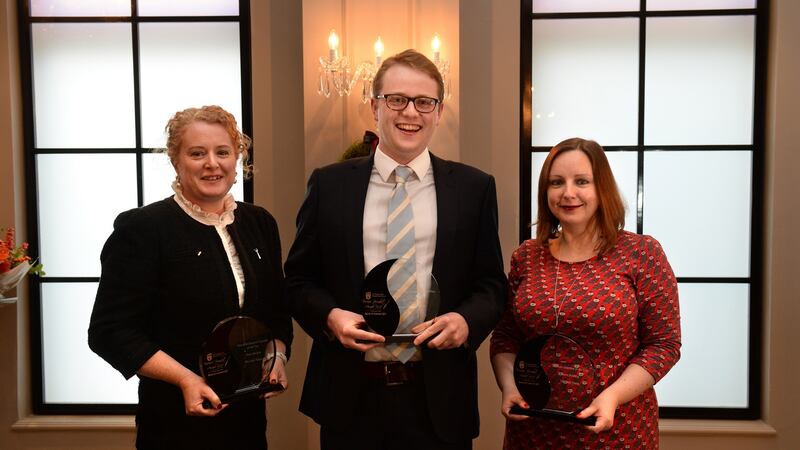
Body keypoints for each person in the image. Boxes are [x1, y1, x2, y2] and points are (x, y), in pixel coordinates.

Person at [285, 49, 506, 450]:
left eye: (425, 102)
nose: (411, 112)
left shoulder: (474, 189)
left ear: (438, 112)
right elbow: (299, 280)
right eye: (397, 99)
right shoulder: (330, 185)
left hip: (438, 399)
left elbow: (491, 284)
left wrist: (465, 321)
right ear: (374, 106)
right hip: (351, 399)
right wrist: (330, 316)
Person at [88, 105, 292, 450]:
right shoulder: (144, 228)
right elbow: (109, 332)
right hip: (174, 421)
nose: (212, 163)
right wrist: (185, 379)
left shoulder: (260, 223)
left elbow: (275, 313)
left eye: (222, 152)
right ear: (175, 161)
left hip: (248, 421)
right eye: (197, 153)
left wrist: (278, 356)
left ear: (237, 158)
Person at [490, 137, 681, 449]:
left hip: (616, 429)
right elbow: (506, 337)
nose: (568, 193)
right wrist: (509, 386)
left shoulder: (641, 252)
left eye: (581, 181)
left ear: (601, 188)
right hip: (534, 431)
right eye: (556, 182)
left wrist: (613, 396)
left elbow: (664, 344)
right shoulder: (526, 256)